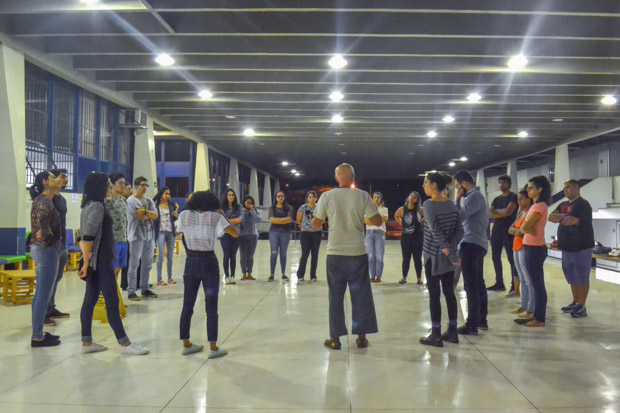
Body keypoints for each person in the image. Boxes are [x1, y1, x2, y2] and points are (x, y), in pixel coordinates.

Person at [78, 172, 149, 355]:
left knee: (90, 299)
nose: (110, 188)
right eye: (108, 185)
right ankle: (125, 343)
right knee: (112, 301)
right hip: (100, 262)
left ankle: (87, 342)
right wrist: (86, 263)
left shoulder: (89, 205)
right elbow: (87, 237)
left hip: (97, 260)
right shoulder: (98, 207)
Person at [312, 163, 381, 350]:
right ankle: (361, 337)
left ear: (336, 178)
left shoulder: (326, 196)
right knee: (361, 295)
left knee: (335, 296)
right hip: (357, 252)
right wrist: (360, 218)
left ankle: (335, 338)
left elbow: (316, 224)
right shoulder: (362, 196)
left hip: (335, 253)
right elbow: (377, 220)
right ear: (353, 176)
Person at [176, 190, 238, 357]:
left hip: (191, 262)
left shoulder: (184, 215)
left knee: (187, 304)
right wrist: (220, 216)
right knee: (211, 305)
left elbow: (177, 232)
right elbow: (234, 233)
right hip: (209, 262)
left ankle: (186, 343)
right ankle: (212, 347)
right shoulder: (215, 217)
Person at [419, 172, 463, 347]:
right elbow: (460, 231)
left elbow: (435, 230)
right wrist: (451, 250)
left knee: (434, 295)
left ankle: (436, 334)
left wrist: (447, 250)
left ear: (434, 185)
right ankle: (452, 331)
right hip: (448, 258)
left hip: (433, 256)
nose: (424, 186)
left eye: (426, 182)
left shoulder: (429, 204)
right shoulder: (452, 205)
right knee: (449, 293)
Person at [549, 179, 594, 318]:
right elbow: (551, 217)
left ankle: (582, 305)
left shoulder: (583, 205)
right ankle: (575, 301)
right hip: (566, 247)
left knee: (582, 276)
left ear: (576, 188)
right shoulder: (563, 204)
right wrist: (564, 217)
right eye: (564, 188)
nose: (565, 190)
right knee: (572, 276)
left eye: (568, 187)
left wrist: (561, 218)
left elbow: (571, 221)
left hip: (581, 247)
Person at [453, 170, 490, 335]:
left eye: (457, 186)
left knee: (471, 285)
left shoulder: (474, 197)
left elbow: (458, 217)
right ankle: (481, 320)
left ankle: (472, 324)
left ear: (463, 184)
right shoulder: (477, 197)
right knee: (478, 283)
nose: (457, 190)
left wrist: (456, 200)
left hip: (472, 244)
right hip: (476, 243)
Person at [29, 171, 62, 347]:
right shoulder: (43, 202)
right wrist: (52, 242)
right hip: (46, 250)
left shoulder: (46, 200)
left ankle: (38, 332)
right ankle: (37, 336)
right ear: (45, 182)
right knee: (43, 294)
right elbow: (42, 231)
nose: (56, 180)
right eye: (52, 178)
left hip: (44, 249)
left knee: (41, 294)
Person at [518, 175, 552, 327]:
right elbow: (524, 227)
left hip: (535, 248)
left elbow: (525, 227)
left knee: (537, 284)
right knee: (534, 282)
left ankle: (540, 318)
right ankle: (537, 315)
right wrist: (526, 228)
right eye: (528, 188)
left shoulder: (540, 206)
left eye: (531, 188)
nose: (528, 190)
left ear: (540, 189)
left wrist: (526, 228)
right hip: (529, 246)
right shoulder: (534, 205)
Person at [126, 176, 159, 301]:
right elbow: (139, 216)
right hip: (136, 236)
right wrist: (147, 213)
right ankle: (131, 290)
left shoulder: (149, 201)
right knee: (134, 265)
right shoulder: (131, 201)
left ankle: (144, 288)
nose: (145, 188)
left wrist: (146, 212)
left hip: (149, 236)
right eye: (142, 185)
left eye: (146, 185)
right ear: (136, 186)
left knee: (148, 264)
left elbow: (155, 215)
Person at [45, 168, 70, 325]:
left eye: (66, 177)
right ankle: (43, 313)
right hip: (51, 244)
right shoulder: (48, 198)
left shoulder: (61, 199)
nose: (65, 180)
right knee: (48, 279)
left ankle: (51, 307)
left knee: (57, 277)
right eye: (62, 177)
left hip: (62, 242)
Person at [487, 175, 519, 293]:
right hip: (496, 231)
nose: (502, 185)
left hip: (508, 231)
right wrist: (501, 213)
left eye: (504, 183)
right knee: (495, 257)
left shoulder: (514, 197)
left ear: (509, 184)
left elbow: (508, 212)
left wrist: (498, 212)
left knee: (512, 259)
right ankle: (499, 282)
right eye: (500, 183)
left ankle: (514, 284)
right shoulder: (496, 199)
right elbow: (489, 214)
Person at [509, 188, 535, 324]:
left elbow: (522, 231)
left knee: (528, 278)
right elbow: (511, 229)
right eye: (518, 199)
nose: (519, 202)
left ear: (528, 199)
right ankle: (523, 304)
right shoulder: (520, 213)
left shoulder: (530, 213)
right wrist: (517, 231)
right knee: (521, 277)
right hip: (516, 246)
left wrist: (517, 231)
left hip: (524, 247)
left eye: (521, 199)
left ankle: (531, 307)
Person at [395, 191, 424, 285]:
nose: (412, 198)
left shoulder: (420, 210)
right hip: (406, 238)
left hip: (417, 238)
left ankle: (419, 279)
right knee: (406, 258)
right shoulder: (402, 209)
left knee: (417, 258)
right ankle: (404, 278)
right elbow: (396, 216)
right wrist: (402, 224)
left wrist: (422, 222)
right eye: (411, 195)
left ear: (417, 200)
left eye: (415, 197)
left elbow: (428, 215)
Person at [104, 172, 129, 280]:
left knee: (118, 269)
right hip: (112, 240)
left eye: (124, 183)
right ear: (112, 185)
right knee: (111, 270)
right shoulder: (107, 201)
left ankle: (114, 293)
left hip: (123, 239)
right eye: (120, 183)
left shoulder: (124, 200)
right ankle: (108, 294)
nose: (123, 185)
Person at [153, 187, 180, 286]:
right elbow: (154, 219)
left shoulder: (171, 205)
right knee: (160, 255)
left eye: (169, 194)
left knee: (170, 256)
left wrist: (175, 213)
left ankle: (169, 277)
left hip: (170, 231)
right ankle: (159, 279)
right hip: (160, 231)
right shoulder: (156, 206)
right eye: (166, 193)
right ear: (161, 195)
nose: (168, 195)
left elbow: (174, 217)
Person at [268, 191, 294, 282]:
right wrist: (283, 220)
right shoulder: (272, 208)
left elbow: (289, 220)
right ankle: (272, 274)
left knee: (283, 254)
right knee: (274, 253)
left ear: (284, 197)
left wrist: (277, 220)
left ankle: (283, 274)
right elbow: (272, 221)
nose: (280, 197)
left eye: (282, 196)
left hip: (285, 233)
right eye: (278, 196)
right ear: (275, 198)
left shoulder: (289, 208)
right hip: (274, 233)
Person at [296, 191, 322, 282]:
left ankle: (313, 275)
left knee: (315, 255)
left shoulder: (319, 207)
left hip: (317, 233)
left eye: (313, 197)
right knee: (305, 254)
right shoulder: (303, 208)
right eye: (310, 197)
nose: (312, 199)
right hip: (305, 234)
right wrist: (305, 226)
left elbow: (322, 219)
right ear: (307, 198)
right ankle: (300, 274)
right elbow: (298, 220)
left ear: (316, 198)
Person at [365, 192, 389, 283]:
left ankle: (378, 276)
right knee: (370, 256)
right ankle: (372, 275)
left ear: (381, 199)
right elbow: (365, 220)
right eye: (374, 197)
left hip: (380, 233)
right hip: (369, 233)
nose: (376, 199)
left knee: (379, 256)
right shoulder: (368, 209)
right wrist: (377, 221)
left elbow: (385, 218)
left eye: (378, 197)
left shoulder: (384, 209)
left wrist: (373, 220)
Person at [220, 189, 242, 284]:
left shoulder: (239, 206)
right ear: (226, 196)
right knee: (226, 255)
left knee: (233, 256)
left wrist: (227, 221)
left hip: (236, 234)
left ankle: (232, 276)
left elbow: (240, 219)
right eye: (229, 195)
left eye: (233, 195)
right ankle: (227, 275)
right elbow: (221, 220)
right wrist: (233, 221)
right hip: (225, 234)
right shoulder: (222, 207)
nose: (231, 196)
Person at [239, 195, 261, 281]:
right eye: (247, 203)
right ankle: (244, 273)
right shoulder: (241, 211)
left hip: (253, 235)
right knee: (243, 255)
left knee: (250, 255)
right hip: (242, 235)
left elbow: (258, 220)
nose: (249, 204)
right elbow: (240, 220)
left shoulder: (255, 211)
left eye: (251, 203)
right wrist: (245, 212)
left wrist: (252, 212)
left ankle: (250, 273)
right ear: (244, 203)